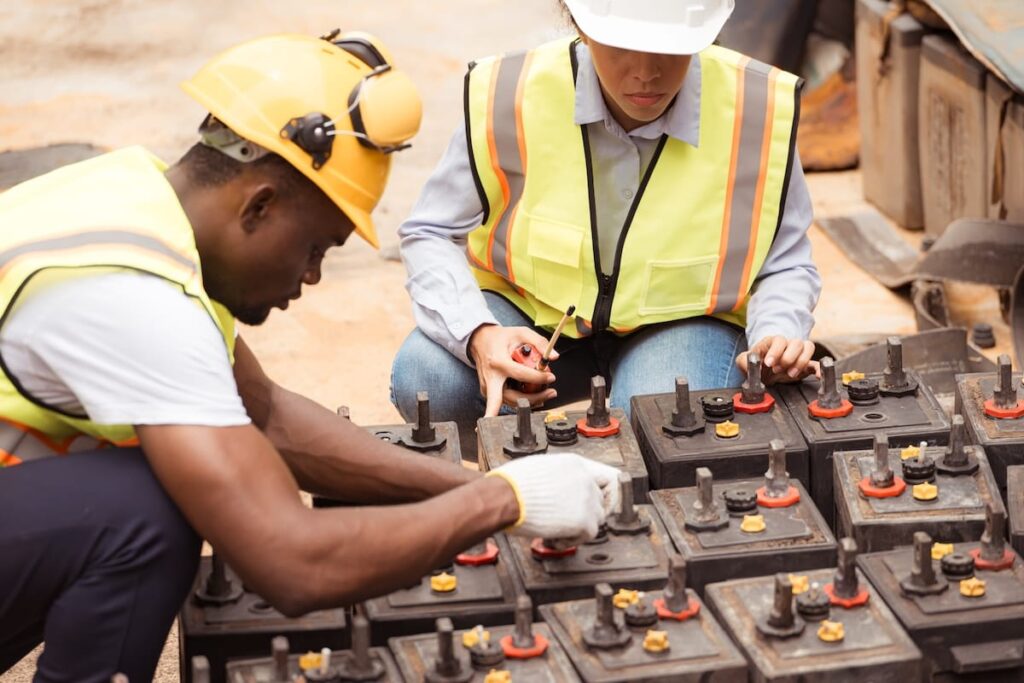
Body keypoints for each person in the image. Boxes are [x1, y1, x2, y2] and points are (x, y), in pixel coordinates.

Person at [0, 30, 619, 682]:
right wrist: (502, 502)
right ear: (260, 205)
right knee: (146, 513)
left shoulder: (135, 201)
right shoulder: (137, 302)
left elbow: (267, 415)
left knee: (167, 481)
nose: (314, 276)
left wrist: (476, 485)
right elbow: (291, 564)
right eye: (317, 247)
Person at [391, 0, 822, 453]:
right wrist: (479, 334)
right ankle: (521, 474)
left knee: (662, 423)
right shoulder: (510, 94)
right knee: (428, 379)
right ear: (581, 26)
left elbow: (785, 261)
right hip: (534, 316)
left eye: (669, 48)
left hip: (684, 326)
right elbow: (430, 232)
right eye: (622, 47)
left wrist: (776, 334)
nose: (646, 73)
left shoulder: (755, 108)